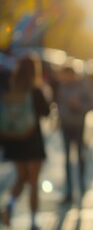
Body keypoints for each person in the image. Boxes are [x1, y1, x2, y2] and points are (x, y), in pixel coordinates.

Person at [0, 56, 50, 230]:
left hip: (14, 140)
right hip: (32, 139)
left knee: (21, 178)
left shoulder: (9, 89)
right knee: (34, 181)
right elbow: (46, 112)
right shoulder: (35, 91)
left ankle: (10, 206)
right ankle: (33, 219)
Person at [56, 66, 93, 203]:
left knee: (80, 156)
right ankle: (69, 190)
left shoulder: (83, 86)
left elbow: (92, 104)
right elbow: (59, 104)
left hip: (79, 126)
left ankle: (82, 186)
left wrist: (79, 106)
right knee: (67, 160)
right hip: (65, 126)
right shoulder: (62, 87)